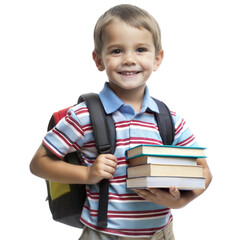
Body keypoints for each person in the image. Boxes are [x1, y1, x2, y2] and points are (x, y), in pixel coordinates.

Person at [30, 4, 212, 240]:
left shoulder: (168, 119)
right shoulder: (83, 116)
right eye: (116, 51)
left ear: (157, 59)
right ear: (99, 60)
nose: (128, 59)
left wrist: (181, 201)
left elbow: (204, 171)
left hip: (160, 234)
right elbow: (38, 164)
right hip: (102, 234)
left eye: (140, 49)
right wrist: (87, 174)